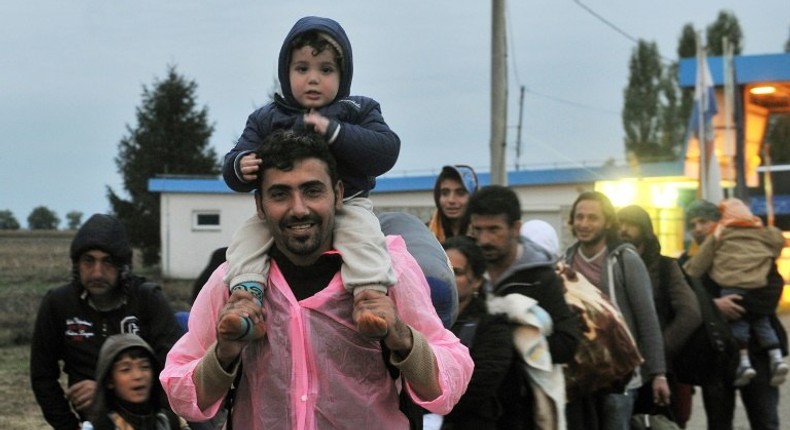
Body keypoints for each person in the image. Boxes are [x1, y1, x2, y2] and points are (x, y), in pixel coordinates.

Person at [161, 130, 473, 429]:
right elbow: (181, 394)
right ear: (259, 205)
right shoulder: (234, 282)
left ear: (338, 194)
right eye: (280, 194)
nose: (299, 209)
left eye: (312, 191)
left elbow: (450, 381)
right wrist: (224, 352)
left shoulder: (387, 271)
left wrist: (402, 337)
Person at [221, 16, 401, 339]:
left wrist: (336, 132)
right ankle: (246, 302)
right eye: (302, 69)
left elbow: (387, 151)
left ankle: (371, 299)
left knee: (364, 238)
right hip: (278, 213)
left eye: (326, 70)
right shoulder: (266, 118)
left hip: (349, 205)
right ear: (285, 73)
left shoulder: (356, 110)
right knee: (244, 242)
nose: (313, 79)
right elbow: (233, 164)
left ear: (342, 76)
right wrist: (240, 165)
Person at [30, 214, 183, 430]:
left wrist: (106, 393)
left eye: (108, 262)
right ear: (77, 264)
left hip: (153, 418)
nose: (97, 272)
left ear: (123, 266)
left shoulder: (147, 299)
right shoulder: (58, 304)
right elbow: (42, 377)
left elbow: (176, 372)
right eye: (88, 261)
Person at [465, 185, 581, 430]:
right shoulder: (466, 272)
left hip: (522, 411)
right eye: (478, 230)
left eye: (494, 229)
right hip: (472, 408)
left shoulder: (540, 278)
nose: (484, 239)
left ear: (516, 228)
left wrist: (516, 343)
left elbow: (568, 341)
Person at [563, 191, 669, 430]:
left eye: (592, 218)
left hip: (620, 373)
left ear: (608, 222)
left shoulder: (625, 259)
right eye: (579, 217)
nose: (584, 224)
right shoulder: (567, 260)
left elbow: (647, 318)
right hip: (583, 377)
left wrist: (658, 373)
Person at [678, 199, 788, 430]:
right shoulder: (686, 264)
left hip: (758, 352)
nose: (698, 228)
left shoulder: (750, 252)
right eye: (692, 224)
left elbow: (769, 294)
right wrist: (715, 307)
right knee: (719, 423)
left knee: (766, 421)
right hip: (716, 358)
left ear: (719, 223)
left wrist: (734, 305)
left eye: (704, 221)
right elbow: (682, 303)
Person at [616, 204, 702, 427]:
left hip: (661, 372)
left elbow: (690, 313)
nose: (623, 230)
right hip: (623, 373)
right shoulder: (612, 265)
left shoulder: (665, 267)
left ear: (644, 230)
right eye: (620, 224)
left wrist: (658, 350)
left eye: (630, 225)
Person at [430, 236, 512, 430]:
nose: (447, 277)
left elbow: (479, 384)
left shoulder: (492, 326)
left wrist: (429, 401)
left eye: (456, 272)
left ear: (475, 281)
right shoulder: (420, 317)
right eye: (443, 269)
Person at [81, 334, 184, 430]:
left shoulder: (169, 421)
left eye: (145, 367)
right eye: (125, 369)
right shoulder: (99, 427)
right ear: (109, 380)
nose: (138, 376)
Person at [427, 165, 479, 243]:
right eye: (445, 193)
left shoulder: (482, 235)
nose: (451, 200)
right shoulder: (425, 234)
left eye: (460, 193)